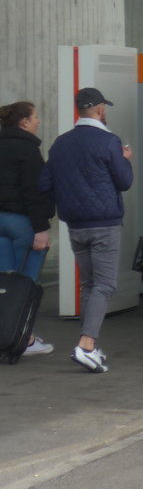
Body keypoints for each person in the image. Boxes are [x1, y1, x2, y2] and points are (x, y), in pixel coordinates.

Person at [38, 87, 133, 373]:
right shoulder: (109, 142)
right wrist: (126, 159)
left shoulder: (60, 143)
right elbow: (124, 181)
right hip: (104, 224)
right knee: (104, 285)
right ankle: (86, 344)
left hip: (75, 225)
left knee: (90, 286)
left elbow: (44, 185)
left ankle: (89, 346)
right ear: (101, 110)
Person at [0, 101, 55, 356]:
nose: (38, 121)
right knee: (26, 284)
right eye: (35, 117)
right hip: (23, 223)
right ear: (23, 122)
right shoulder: (28, 150)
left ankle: (5, 334)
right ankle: (25, 339)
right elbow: (35, 192)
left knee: (3, 284)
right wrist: (42, 229)